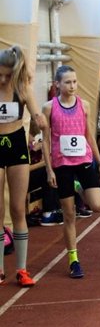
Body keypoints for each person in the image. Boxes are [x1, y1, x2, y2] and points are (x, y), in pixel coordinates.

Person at [41, 65, 100, 278]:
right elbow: (46, 140)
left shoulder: (84, 105)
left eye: (74, 82)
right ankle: (74, 259)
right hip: (62, 164)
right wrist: (49, 169)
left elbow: (89, 135)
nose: (72, 86)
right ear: (57, 84)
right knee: (69, 214)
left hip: (84, 160)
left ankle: (79, 186)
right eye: (67, 82)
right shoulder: (49, 108)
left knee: (97, 205)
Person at [0, 45, 46, 286]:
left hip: (17, 145)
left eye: (7, 75)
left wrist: (39, 123)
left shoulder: (23, 89)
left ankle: (22, 269)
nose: (3, 79)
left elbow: (37, 117)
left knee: (18, 209)